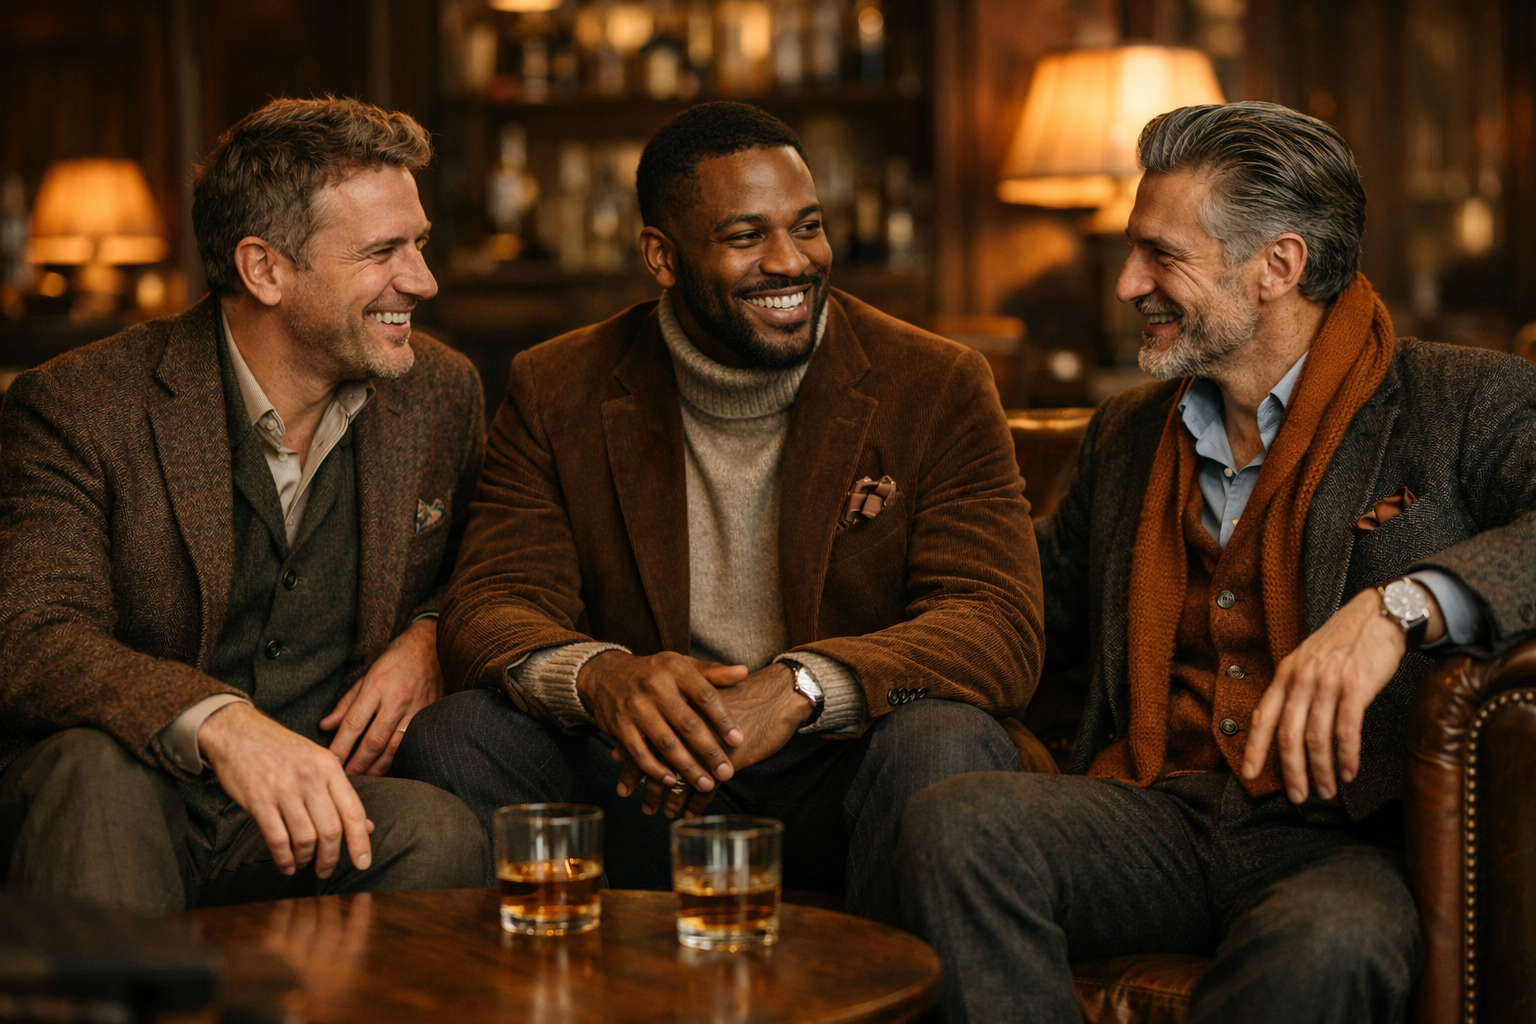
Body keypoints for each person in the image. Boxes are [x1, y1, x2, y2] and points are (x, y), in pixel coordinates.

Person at [897, 101, 1536, 1023]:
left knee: (1332, 944)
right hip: (1158, 808)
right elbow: (1025, 604)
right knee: (953, 825)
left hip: (1351, 841)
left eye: (1163, 254)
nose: (1126, 284)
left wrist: (1399, 607)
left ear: (1279, 266)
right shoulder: (1126, 434)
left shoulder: (1462, 399)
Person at [395, 101, 1044, 922]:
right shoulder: (559, 386)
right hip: (647, 781)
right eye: (746, 238)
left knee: (948, 738)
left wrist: (802, 686)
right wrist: (602, 678)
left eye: (806, 227)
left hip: (841, 776)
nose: (791, 262)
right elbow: (490, 604)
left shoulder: (937, 383)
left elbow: (997, 624)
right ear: (661, 257)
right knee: (458, 735)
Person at [0, 97, 488, 913]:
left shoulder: (440, 390)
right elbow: (30, 635)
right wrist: (216, 720)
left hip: (314, 805)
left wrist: (433, 633)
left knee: (437, 831)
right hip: (127, 791)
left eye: (420, 244)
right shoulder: (78, 406)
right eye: (382, 252)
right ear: (264, 269)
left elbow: (493, 559)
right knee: (91, 773)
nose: (423, 280)